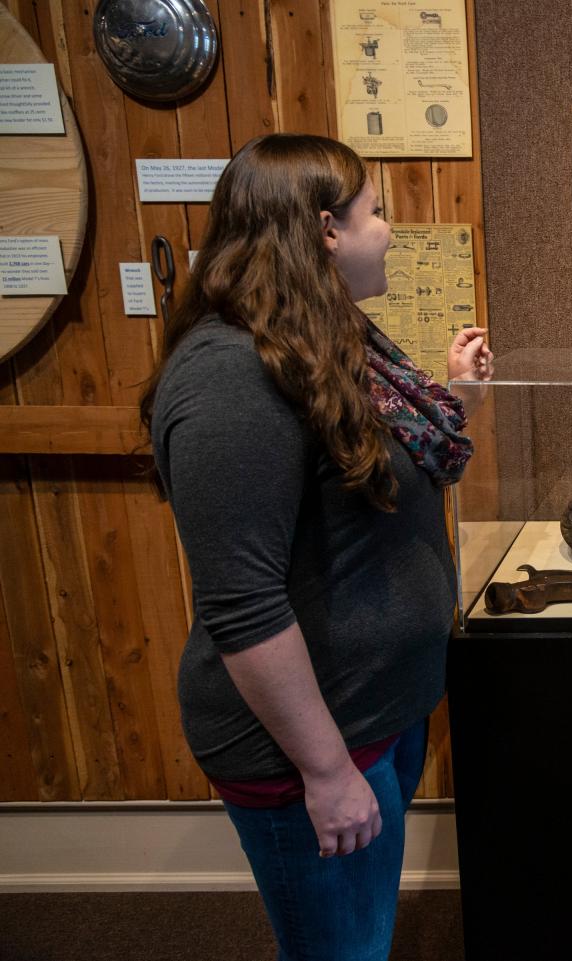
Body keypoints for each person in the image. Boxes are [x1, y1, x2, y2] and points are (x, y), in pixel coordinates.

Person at [139, 133, 492, 961]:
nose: (391, 231)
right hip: (313, 751)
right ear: (325, 231)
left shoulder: (326, 341)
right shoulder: (231, 375)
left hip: (374, 718)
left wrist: (457, 396)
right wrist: (327, 773)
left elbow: (371, 477)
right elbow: (243, 604)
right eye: (377, 212)